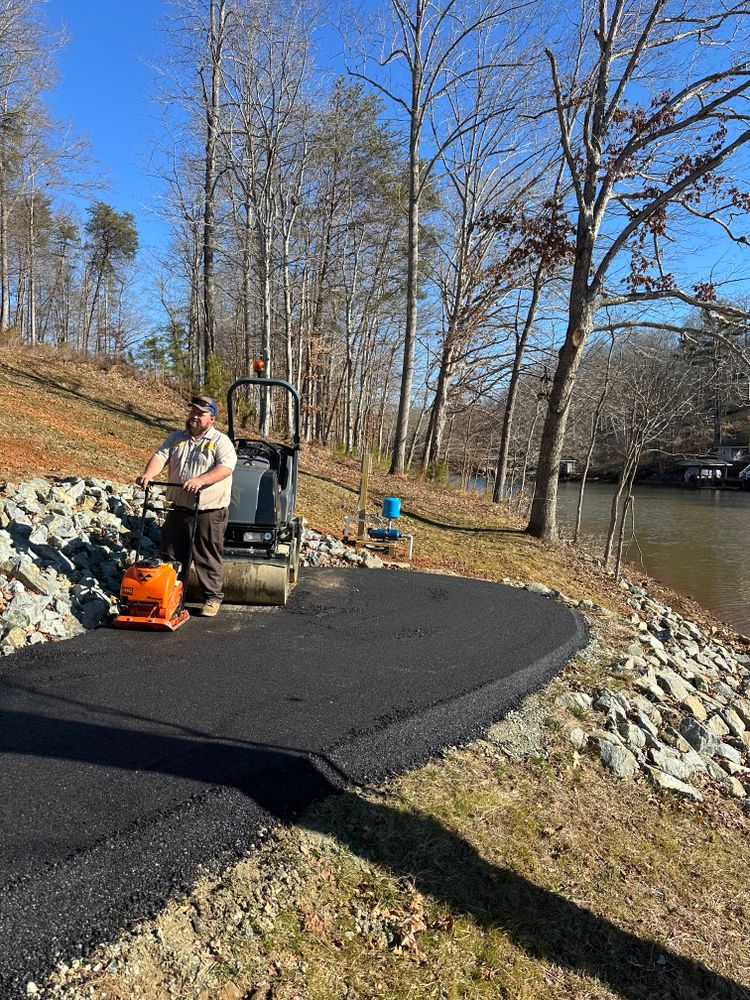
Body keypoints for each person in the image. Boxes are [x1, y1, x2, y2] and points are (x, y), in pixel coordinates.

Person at [136, 395, 237, 617]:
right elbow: (160, 457)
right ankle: (171, 593)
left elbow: (226, 468)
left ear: (212, 418)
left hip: (208, 510)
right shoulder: (177, 438)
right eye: (192, 411)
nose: (194, 416)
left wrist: (201, 480)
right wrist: (148, 474)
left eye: (200, 413)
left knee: (206, 555)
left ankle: (212, 598)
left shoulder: (221, 441)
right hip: (178, 507)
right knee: (170, 552)